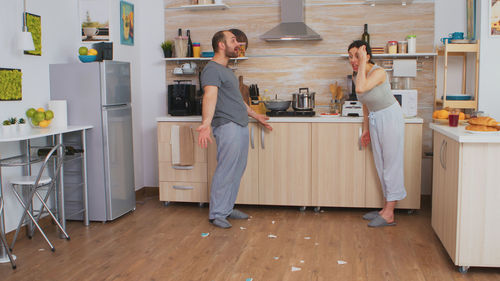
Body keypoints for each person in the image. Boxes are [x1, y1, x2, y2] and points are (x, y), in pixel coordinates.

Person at [197, 30, 272, 229]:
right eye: (233, 40)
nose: (237, 43)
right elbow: (209, 96)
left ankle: (227, 208)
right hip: (227, 125)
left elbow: (237, 100)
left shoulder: (226, 70)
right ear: (221, 45)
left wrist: (255, 115)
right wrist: (206, 123)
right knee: (226, 169)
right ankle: (217, 214)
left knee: (237, 169)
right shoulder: (212, 69)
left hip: (239, 123)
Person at [347, 40, 406, 227]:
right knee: (381, 164)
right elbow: (365, 102)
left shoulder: (378, 73)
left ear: (367, 56)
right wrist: (366, 129)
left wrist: (363, 62)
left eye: (357, 55)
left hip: (390, 117)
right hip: (375, 118)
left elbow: (361, 90)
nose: (353, 60)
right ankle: (384, 209)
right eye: (350, 56)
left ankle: (389, 213)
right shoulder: (359, 75)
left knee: (391, 165)